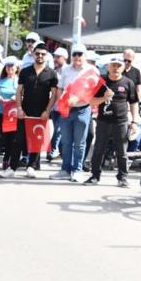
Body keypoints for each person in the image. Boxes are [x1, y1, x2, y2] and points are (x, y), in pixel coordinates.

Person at [84, 57, 140, 187]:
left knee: (122, 151)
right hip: (103, 121)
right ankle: (94, 176)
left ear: (123, 68)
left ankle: (123, 177)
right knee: (98, 150)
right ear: (108, 67)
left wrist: (134, 121)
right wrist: (104, 98)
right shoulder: (101, 82)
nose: (116, 68)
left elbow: (133, 103)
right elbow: (91, 101)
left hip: (121, 121)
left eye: (118, 66)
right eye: (113, 65)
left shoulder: (128, 82)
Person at [7, 42, 59, 178]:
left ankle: (31, 166)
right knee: (18, 139)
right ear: (33, 54)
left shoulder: (52, 74)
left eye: (43, 54)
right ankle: (12, 167)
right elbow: (19, 92)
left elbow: (54, 94)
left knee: (37, 139)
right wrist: (18, 108)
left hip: (41, 111)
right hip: (24, 110)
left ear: (47, 56)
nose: (40, 56)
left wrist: (48, 110)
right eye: (37, 53)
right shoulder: (25, 71)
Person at [51, 44, 91, 182]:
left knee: (79, 142)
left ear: (85, 56)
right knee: (66, 141)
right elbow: (60, 88)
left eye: (80, 54)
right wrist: (61, 100)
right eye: (74, 54)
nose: (77, 57)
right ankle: (65, 169)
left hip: (82, 109)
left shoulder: (91, 71)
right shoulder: (66, 70)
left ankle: (77, 170)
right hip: (66, 109)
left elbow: (93, 91)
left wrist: (78, 98)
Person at [0, 56, 19, 172]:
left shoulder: (19, 81)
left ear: (16, 67)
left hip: (12, 114)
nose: (10, 68)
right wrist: (0, 98)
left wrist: (16, 97)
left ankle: (6, 160)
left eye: (12, 65)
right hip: (0, 112)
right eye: (7, 66)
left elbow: (22, 94)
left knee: (10, 138)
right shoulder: (0, 81)